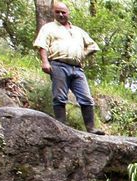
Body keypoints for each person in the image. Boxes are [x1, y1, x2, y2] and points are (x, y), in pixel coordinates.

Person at [33, 2, 104, 134]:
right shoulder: (49, 28)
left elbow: (93, 46)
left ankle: (91, 128)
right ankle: (61, 126)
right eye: (58, 12)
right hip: (58, 64)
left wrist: (82, 54)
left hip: (77, 68)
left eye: (63, 12)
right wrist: (45, 62)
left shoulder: (78, 31)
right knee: (59, 96)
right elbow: (42, 45)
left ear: (68, 13)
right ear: (54, 13)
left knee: (86, 97)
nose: (60, 14)